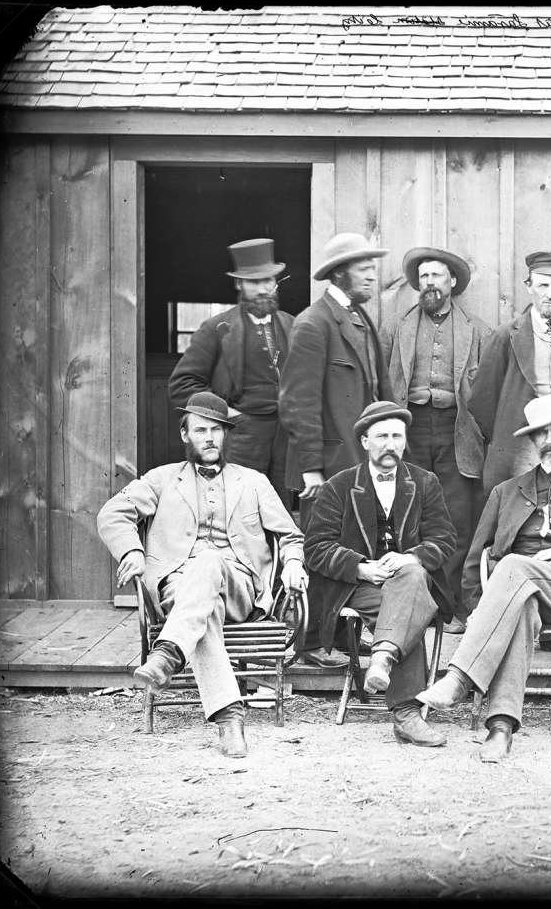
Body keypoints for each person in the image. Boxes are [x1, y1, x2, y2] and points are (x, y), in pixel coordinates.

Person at [416, 395, 551, 762]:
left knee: (514, 566)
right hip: (516, 595)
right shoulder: (507, 491)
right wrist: (479, 610)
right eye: (541, 434)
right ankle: (500, 730)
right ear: (532, 441)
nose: (549, 439)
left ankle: (458, 679)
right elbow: (475, 558)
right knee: (518, 604)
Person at [96, 392, 306, 758]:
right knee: (203, 605)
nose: (209, 437)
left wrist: (292, 562)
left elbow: (290, 535)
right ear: (185, 435)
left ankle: (168, 652)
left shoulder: (253, 481)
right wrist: (131, 550)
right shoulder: (162, 480)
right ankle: (230, 717)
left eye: (217, 430)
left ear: (226, 436)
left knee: (209, 560)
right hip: (178, 588)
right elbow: (113, 513)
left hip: (239, 588)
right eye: (201, 430)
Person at [302, 402, 457, 746]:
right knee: (408, 610)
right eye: (382, 436)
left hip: (412, 581)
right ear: (365, 442)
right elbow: (315, 547)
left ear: (405, 441)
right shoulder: (340, 486)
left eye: (397, 436)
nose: (390, 444)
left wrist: (412, 557)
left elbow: (445, 539)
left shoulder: (424, 482)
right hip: (359, 587)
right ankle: (406, 713)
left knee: (413, 581)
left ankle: (382, 658)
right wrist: (360, 567)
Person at [279, 233, 391, 667]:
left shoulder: (359, 318)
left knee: (354, 549)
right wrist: (310, 469)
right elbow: (297, 403)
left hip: (357, 463)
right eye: (364, 267)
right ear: (340, 272)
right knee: (321, 552)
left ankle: (342, 636)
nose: (372, 274)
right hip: (325, 467)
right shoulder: (314, 323)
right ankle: (309, 644)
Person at [382, 246, 491, 634]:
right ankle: (411, 606)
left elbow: (488, 393)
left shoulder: (477, 329)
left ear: (453, 282)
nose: (429, 283)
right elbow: (383, 385)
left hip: (455, 430)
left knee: (456, 518)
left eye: (437, 276)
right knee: (407, 515)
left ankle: (452, 608)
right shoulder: (397, 328)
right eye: (423, 277)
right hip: (409, 430)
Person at [168, 239, 296, 506]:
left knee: (278, 510)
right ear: (239, 284)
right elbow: (182, 384)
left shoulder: (292, 325)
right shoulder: (216, 328)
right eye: (254, 282)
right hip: (240, 437)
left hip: (284, 437)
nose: (264, 290)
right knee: (238, 510)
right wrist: (226, 414)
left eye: (269, 281)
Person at [468, 250, 551, 496]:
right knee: (521, 510)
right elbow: (482, 400)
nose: (550, 294)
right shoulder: (506, 335)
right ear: (529, 286)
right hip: (521, 444)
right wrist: (506, 435)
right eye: (542, 285)